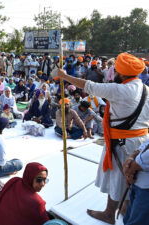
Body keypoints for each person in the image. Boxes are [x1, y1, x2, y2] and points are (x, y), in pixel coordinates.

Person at [56, 52, 149, 224]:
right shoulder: (145, 89)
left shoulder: (120, 89)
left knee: (119, 178)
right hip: (141, 143)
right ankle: (124, 207)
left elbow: (89, 86)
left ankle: (110, 213)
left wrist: (64, 76)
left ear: (121, 73)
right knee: (131, 178)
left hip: (122, 143)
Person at [123, 140, 149, 225]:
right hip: (139, 183)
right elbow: (146, 143)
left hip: (146, 189)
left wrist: (130, 168)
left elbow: (141, 162)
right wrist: (132, 156)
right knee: (129, 217)